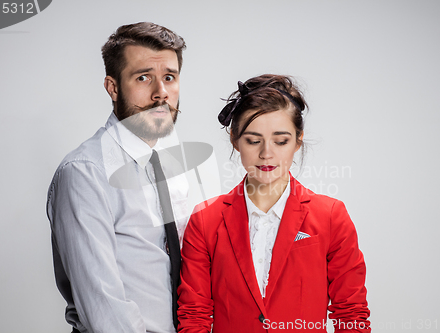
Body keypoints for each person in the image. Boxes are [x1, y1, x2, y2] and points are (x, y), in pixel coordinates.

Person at [177, 74, 371, 332]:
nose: (266, 153)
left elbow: (351, 313)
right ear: (235, 139)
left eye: (281, 141)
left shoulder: (331, 216)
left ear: (298, 140)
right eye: (253, 140)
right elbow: (194, 315)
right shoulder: (205, 220)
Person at [47, 22, 189, 333]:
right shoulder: (85, 172)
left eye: (169, 77)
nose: (160, 93)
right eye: (143, 78)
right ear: (113, 87)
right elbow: (103, 304)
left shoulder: (174, 165)